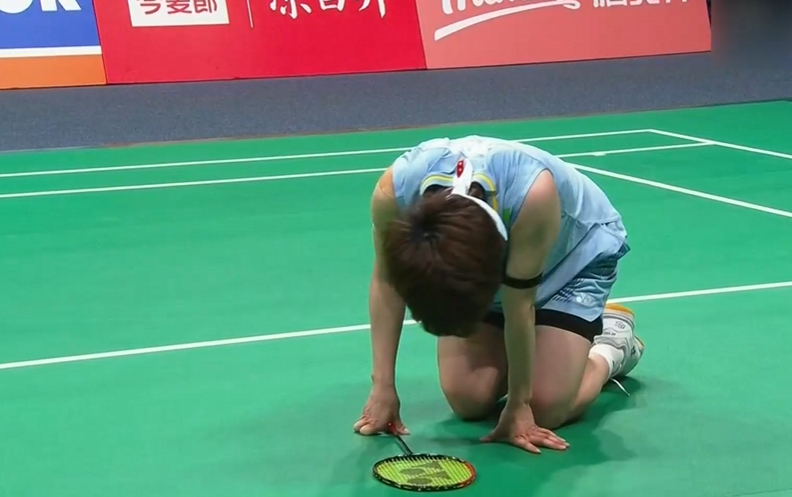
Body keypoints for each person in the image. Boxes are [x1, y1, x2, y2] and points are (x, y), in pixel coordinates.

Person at [353, 135, 644, 454]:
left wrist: (520, 403)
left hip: (575, 258)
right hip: (496, 260)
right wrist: (383, 385)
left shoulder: (533, 193)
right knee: (468, 399)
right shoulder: (393, 192)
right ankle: (552, 348)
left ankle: (612, 347)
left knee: (545, 408)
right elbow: (386, 280)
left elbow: (519, 304)